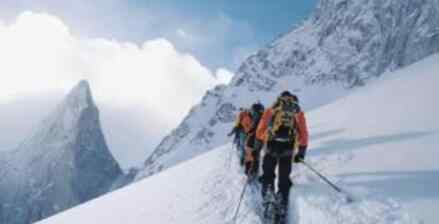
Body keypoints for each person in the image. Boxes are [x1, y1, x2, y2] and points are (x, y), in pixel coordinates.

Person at [256, 91, 309, 210]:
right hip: (288, 149)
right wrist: (301, 152)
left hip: (271, 147)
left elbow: (260, 131)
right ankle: (282, 203)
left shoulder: (271, 109)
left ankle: (268, 198)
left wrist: (264, 139)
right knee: (284, 178)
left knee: (268, 175)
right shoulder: (297, 112)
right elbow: (303, 134)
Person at [243, 102, 265, 177]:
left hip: (253, 137)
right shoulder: (263, 116)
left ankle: (249, 170)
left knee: (250, 153)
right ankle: (254, 170)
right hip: (261, 138)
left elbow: (251, 128)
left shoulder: (255, 116)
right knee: (256, 154)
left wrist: (249, 131)